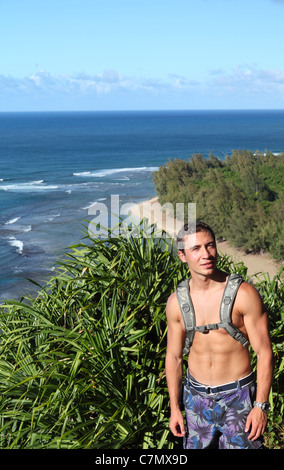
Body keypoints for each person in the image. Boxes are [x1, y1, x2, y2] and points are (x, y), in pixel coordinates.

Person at [165, 221, 274, 449]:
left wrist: (260, 406)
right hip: (195, 400)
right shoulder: (177, 303)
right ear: (183, 256)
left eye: (210, 246)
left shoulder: (243, 294)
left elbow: (264, 352)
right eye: (196, 249)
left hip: (238, 398)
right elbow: (174, 357)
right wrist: (175, 408)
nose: (206, 254)